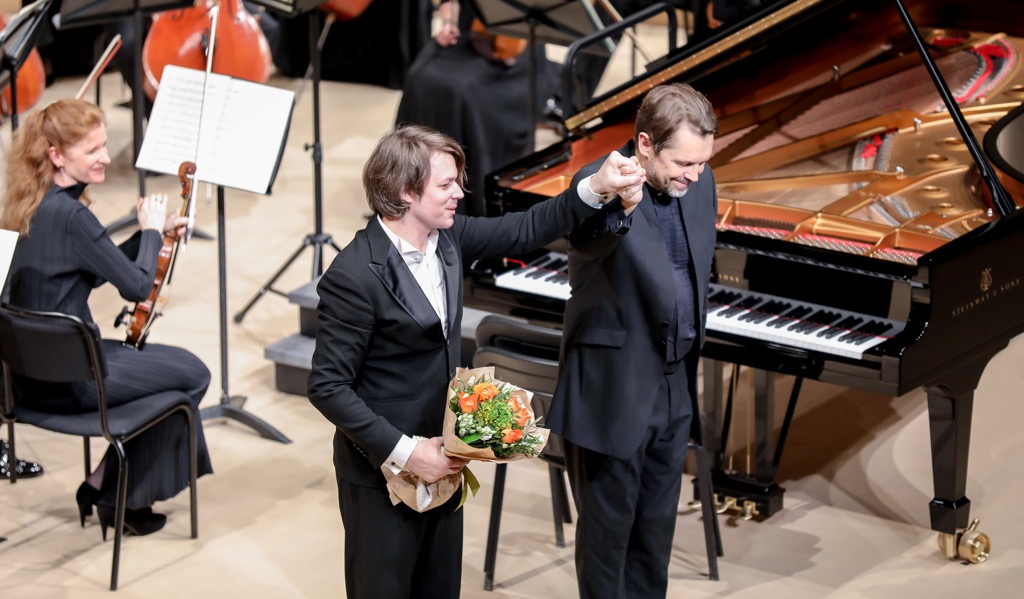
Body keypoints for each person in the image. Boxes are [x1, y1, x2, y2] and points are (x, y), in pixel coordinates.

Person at [307, 123, 645, 599]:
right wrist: (409, 452)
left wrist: (596, 186)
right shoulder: (354, 275)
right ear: (405, 192)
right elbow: (327, 387)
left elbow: (526, 227)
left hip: (447, 458)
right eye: (446, 185)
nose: (459, 195)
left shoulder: (448, 238)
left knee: (441, 588)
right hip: (382, 472)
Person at [0, 98, 214, 538]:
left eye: (104, 145)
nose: (105, 157)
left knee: (166, 378)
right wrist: (151, 229)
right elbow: (136, 287)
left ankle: (108, 486)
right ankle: (113, 492)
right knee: (191, 375)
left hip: (22, 379)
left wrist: (149, 238)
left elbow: (94, 267)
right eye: (92, 150)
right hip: (75, 382)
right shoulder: (74, 217)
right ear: (57, 155)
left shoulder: (25, 205)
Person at [547, 82, 719, 599]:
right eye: (683, 162)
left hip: (674, 385)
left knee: (653, 538)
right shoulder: (598, 185)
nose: (695, 174)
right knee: (607, 546)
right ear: (645, 144)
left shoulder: (699, 180)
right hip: (612, 391)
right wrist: (619, 201)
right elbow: (586, 239)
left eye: (703, 162)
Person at [395, 0, 562, 217]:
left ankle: (466, 195)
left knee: (463, 92)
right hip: (467, 35)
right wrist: (449, 21)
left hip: (514, 43)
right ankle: (415, 186)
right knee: (420, 78)